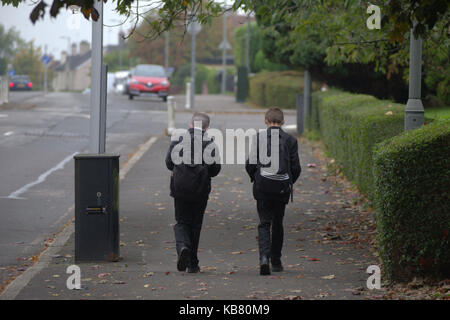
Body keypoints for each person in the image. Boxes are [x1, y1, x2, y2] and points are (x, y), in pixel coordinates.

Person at [245, 107, 301, 275]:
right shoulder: (290, 140)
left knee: (264, 223)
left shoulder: (259, 138)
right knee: (278, 223)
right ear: (283, 122)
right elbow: (296, 168)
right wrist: (289, 183)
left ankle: (264, 258)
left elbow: (250, 164)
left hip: (263, 186)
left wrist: (255, 178)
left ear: (265, 121)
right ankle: (276, 261)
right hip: (281, 188)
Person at [165, 112, 221, 273]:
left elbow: (169, 163)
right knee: (195, 225)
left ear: (190, 125)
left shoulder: (178, 140)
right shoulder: (209, 143)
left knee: (181, 222)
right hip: (200, 190)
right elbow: (215, 169)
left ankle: (182, 246)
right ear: (207, 127)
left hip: (180, 189)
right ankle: (192, 264)